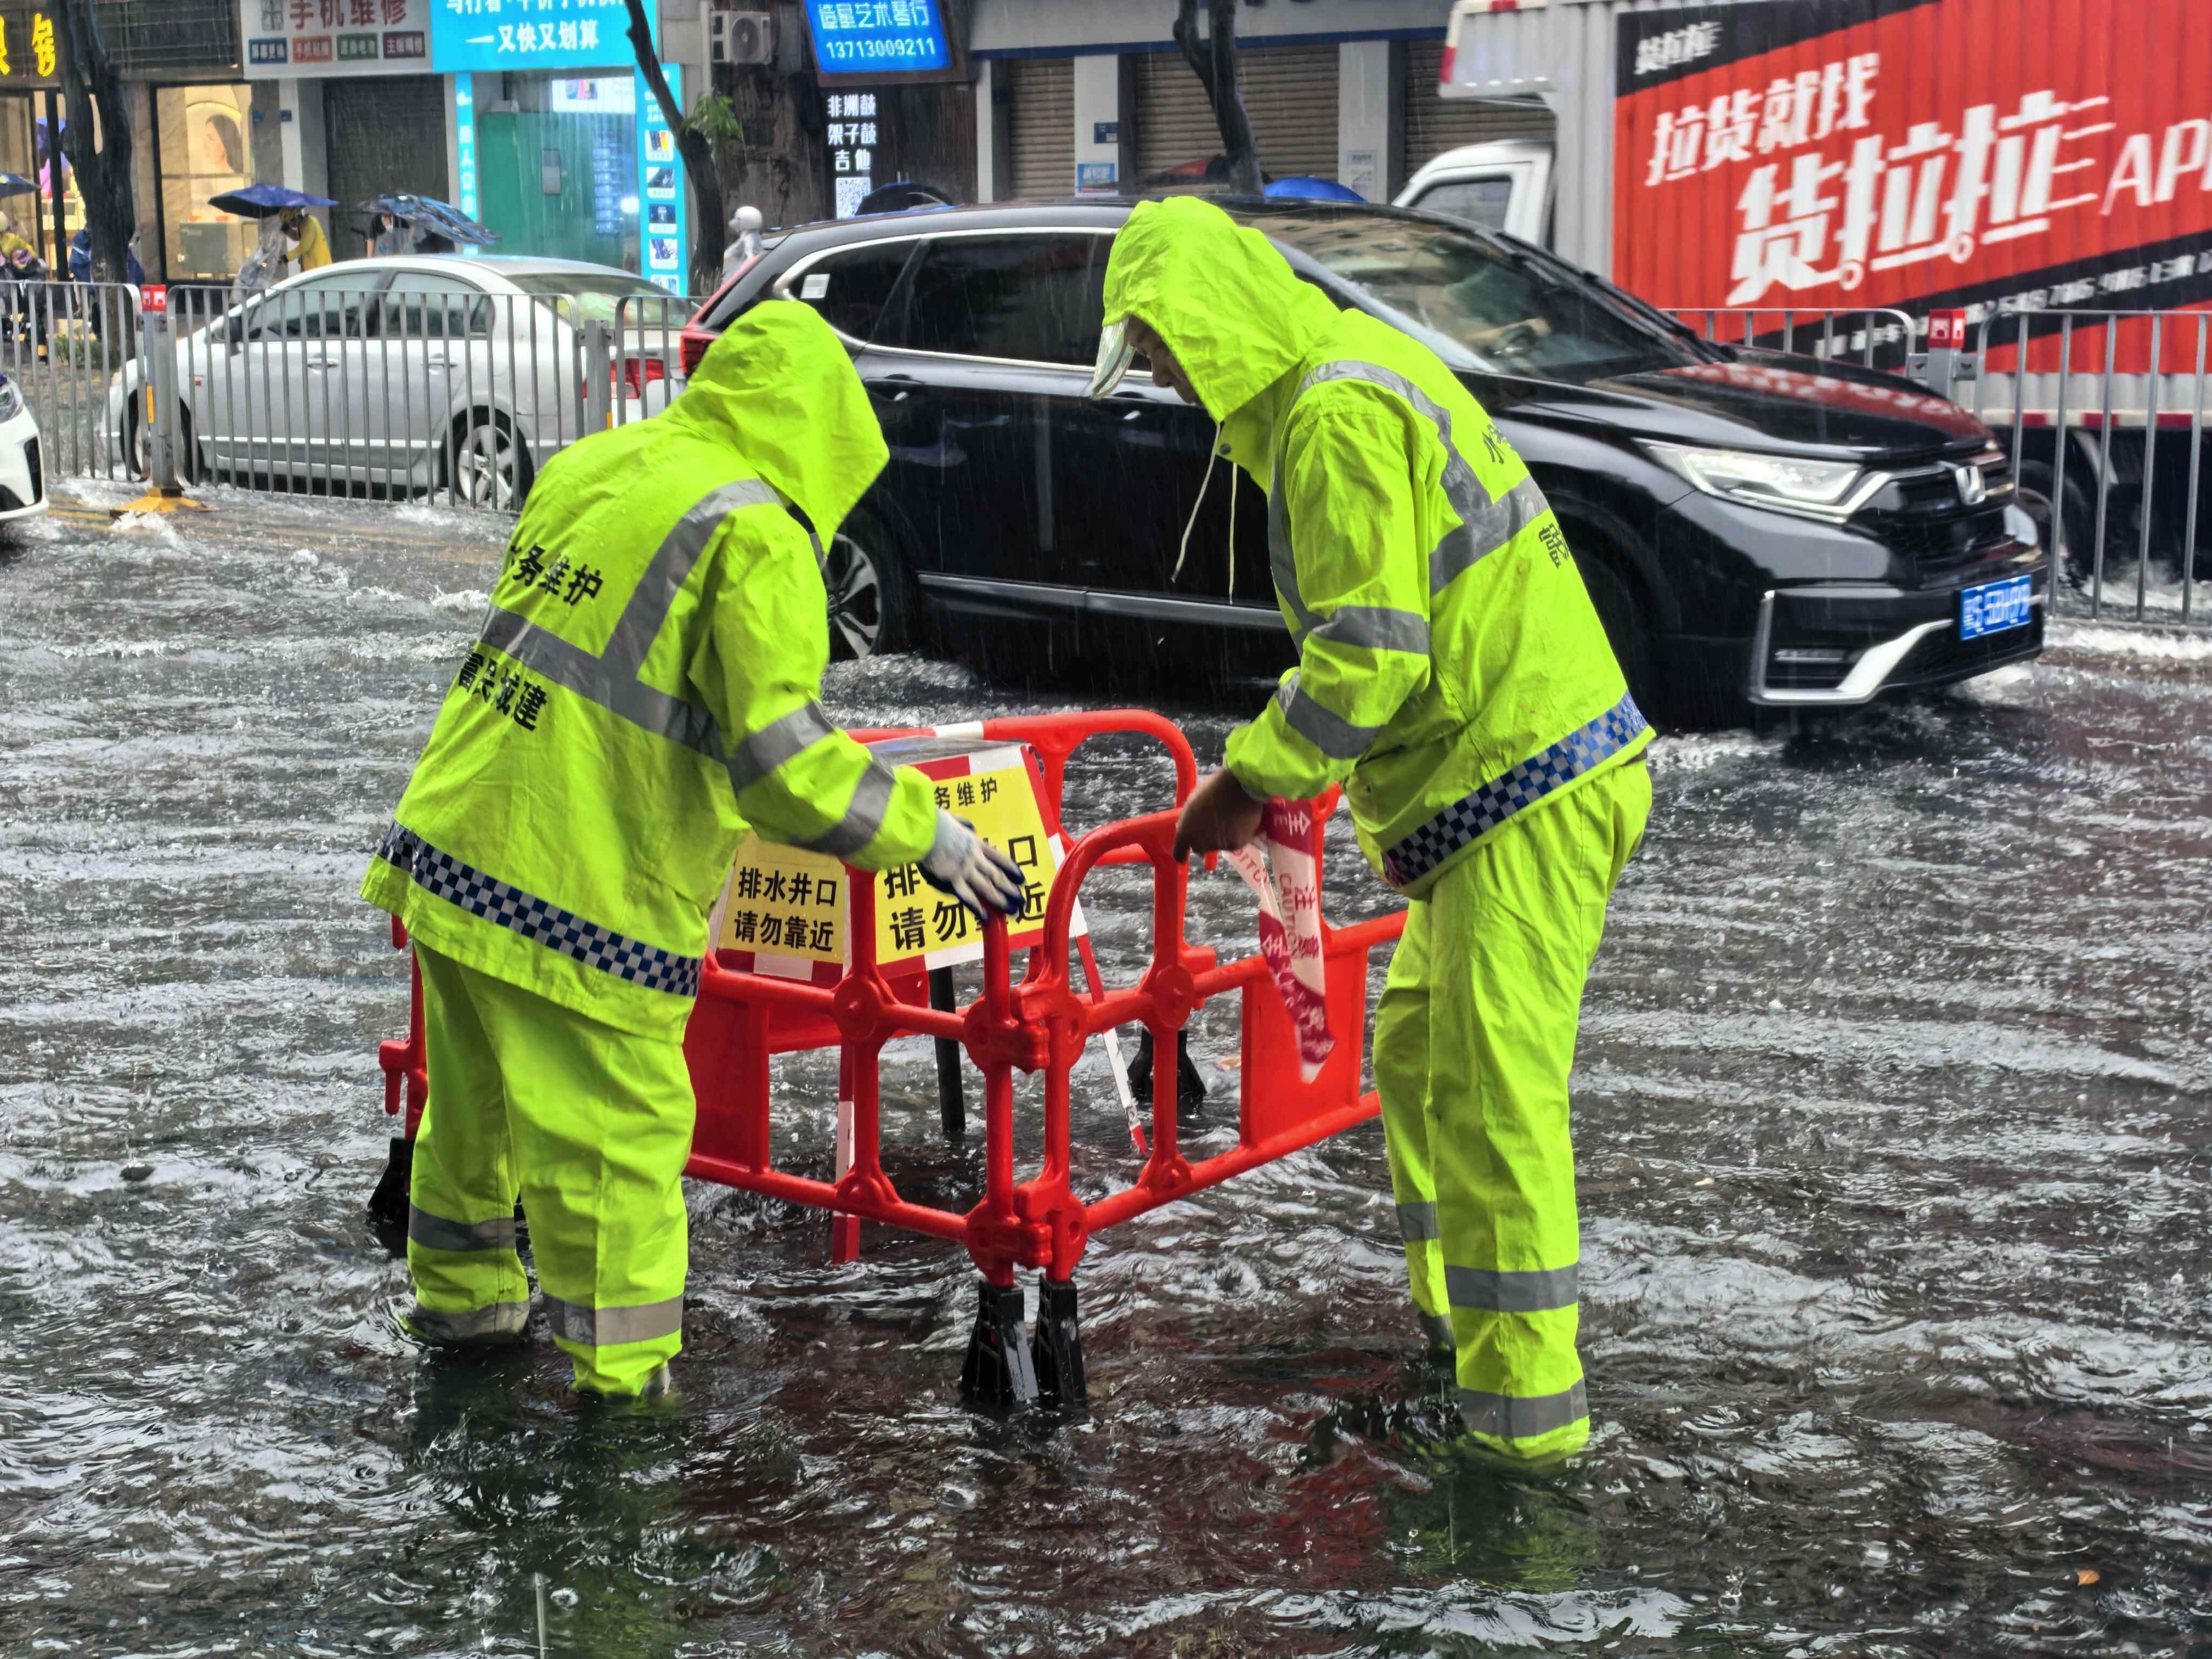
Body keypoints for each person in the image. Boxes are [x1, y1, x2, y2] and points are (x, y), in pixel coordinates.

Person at [360, 300, 1026, 1398]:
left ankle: (462, 1336)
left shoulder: (603, 465)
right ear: (823, 433)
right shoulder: (755, 530)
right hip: (577, 887)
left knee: (469, 1126)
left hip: (450, 840)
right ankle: (619, 1428)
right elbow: (779, 765)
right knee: (618, 1153)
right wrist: (929, 834)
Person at [1091, 197, 1651, 1467]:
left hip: (1528, 784)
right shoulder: (1344, 378)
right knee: (1415, 1055)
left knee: (1497, 1092)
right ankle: (1457, 1336)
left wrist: (1248, 778)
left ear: (1213, 324)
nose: (1169, 382)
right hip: (1496, 785)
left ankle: (1525, 1439)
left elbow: (1370, 655)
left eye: (1167, 349)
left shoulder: (1332, 413)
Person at [278, 205, 330, 273]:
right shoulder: (303, 224)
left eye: (290, 223)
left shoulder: (309, 223)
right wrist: (287, 231)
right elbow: (298, 238)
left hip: (320, 267)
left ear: (295, 217)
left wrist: (286, 258)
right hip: (313, 268)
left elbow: (304, 247)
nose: (291, 225)